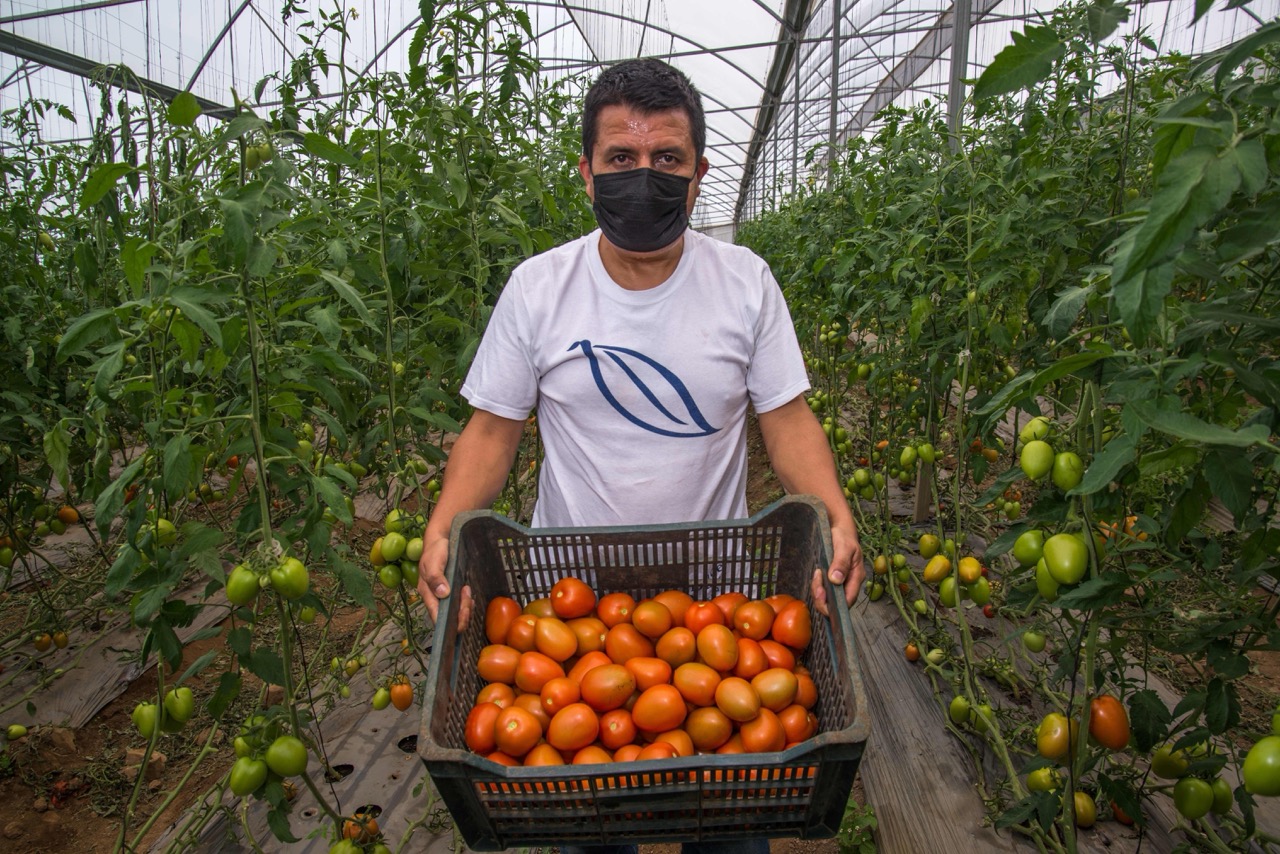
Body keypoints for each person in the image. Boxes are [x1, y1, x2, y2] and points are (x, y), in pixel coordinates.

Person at [416, 58, 864, 854]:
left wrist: (835, 514)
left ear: (697, 178)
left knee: (730, 819)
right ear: (586, 173)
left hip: (719, 600)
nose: (644, 176)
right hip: (571, 594)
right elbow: (492, 430)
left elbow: (787, 419)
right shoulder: (538, 288)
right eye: (622, 159)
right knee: (589, 819)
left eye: (667, 160)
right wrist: (445, 527)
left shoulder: (746, 283)